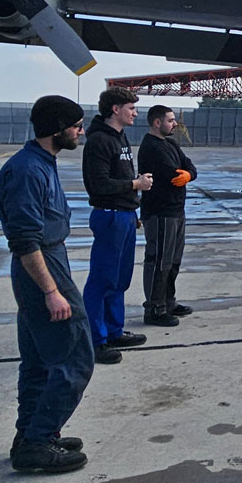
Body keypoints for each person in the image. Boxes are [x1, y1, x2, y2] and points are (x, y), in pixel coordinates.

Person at [0, 95, 94, 473]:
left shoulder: (40, 163)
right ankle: (38, 441)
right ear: (57, 129)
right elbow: (25, 240)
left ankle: (31, 436)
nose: (81, 131)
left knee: (38, 361)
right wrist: (51, 291)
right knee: (76, 357)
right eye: (76, 125)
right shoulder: (27, 171)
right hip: (41, 266)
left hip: (46, 262)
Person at [82, 86, 152, 364]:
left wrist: (132, 205)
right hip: (109, 215)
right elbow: (98, 184)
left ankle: (113, 330)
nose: (135, 113)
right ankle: (95, 340)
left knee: (120, 278)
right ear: (115, 109)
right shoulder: (99, 141)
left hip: (124, 214)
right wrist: (136, 184)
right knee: (102, 279)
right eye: (131, 108)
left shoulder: (120, 137)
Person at [138, 105, 197, 326]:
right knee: (159, 260)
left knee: (173, 261)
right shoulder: (152, 147)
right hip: (160, 211)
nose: (175, 124)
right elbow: (172, 174)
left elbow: (189, 166)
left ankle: (168, 302)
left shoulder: (170, 144)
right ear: (157, 122)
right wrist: (185, 173)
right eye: (170, 120)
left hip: (176, 210)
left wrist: (189, 174)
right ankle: (155, 308)